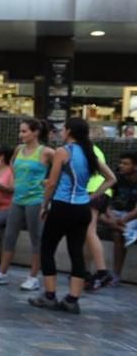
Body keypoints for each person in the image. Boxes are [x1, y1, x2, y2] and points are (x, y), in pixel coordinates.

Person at [28, 118, 115, 314]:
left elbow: (52, 182)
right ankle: (72, 300)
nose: (61, 132)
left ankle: (50, 296)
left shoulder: (63, 151)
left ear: (69, 131)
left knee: (47, 248)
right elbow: (111, 179)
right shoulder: (90, 152)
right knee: (76, 251)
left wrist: (44, 205)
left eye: (63, 129)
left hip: (62, 206)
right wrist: (92, 195)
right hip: (82, 208)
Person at [0, 119, 54, 290]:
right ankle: (2, 272)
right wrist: (17, 184)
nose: (20, 135)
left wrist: (47, 183)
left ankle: (33, 276)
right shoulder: (19, 149)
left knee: (36, 238)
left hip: (36, 200)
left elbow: (61, 168)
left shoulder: (46, 152)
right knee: (9, 236)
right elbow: (13, 167)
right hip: (17, 199)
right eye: (20, 131)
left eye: (24, 131)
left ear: (35, 132)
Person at [83, 144, 114, 290]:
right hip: (101, 191)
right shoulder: (94, 148)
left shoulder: (83, 148)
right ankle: (85, 272)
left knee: (90, 231)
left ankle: (102, 271)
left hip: (93, 191)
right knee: (86, 234)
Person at [103, 152, 137, 284]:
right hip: (117, 214)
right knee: (93, 214)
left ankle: (116, 274)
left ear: (135, 166)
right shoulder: (117, 178)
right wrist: (110, 214)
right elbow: (104, 198)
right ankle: (127, 231)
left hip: (132, 216)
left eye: (125, 164)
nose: (120, 166)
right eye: (121, 163)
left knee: (117, 234)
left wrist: (123, 220)